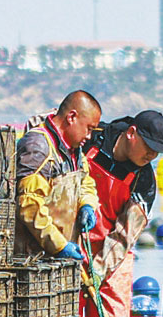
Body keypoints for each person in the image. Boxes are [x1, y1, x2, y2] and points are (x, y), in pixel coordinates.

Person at [79, 109, 163, 317]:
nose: (151, 156)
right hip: (71, 248)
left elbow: (124, 235)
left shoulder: (144, 182)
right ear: (131, 134)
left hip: (111, 256)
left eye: (157, 152)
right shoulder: (92, 140)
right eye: (148, 148)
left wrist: (98, 271)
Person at [13, 90, 102, 260]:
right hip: (33, 259)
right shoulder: (38, 147)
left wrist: (87, 205)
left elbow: (86, 182)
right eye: (89, 128)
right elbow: (29, 205)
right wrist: (59, 246)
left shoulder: (75, 150)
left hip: (57, 258)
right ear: (72, 117)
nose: (89, 136)